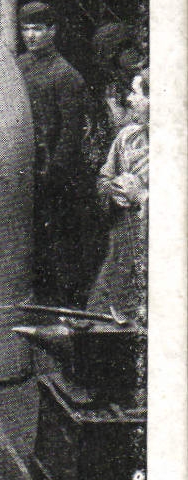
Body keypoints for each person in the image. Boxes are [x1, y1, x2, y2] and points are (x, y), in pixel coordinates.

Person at [14, 1, 93, 305]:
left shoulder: (66, 75)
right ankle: (36, 297)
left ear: (52, 31)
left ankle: (64, 305)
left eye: (37, 29)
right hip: (26, 166)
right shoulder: (19, 66)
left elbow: (71, 133)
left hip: (55, 175)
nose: (30, 35)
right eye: (26, 29)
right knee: (31, 237)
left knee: (60, 241)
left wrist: (54, 174)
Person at [86, 68, 149, 324]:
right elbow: (103, 180)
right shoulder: (127, 138)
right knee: (99, 313)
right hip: (122, 249)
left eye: (136, 94)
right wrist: (113, 191)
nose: (130, 100)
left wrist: (142, 196)